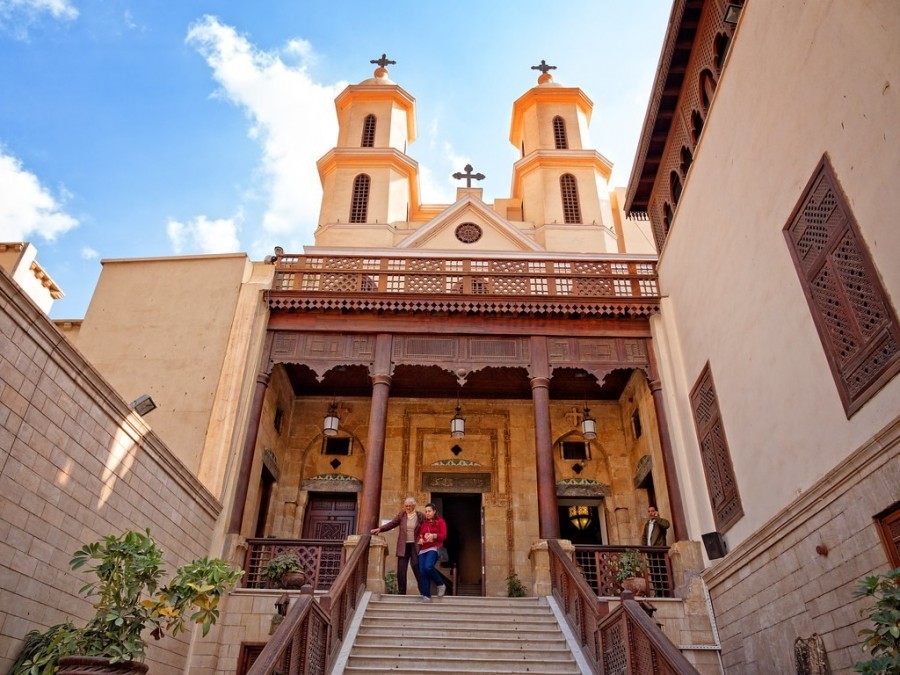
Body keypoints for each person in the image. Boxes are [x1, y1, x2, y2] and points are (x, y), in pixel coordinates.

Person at [370, 497, 423, 596]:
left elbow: (426, 527)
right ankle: (402, 592)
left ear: (414, 506)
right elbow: (392, 524)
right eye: (406, 506)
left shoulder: (420, 516)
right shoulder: (402, 515)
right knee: (401, 569)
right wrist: (380, 529)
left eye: (409, 506)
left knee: (417, 566)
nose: (407, 507)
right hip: (403, 545)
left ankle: (423, 591)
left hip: (415, 545)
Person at [416, 503, 447, 602]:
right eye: (426, 512)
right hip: (423, 549)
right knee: (422, 572)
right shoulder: (424, 523)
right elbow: (421, 534)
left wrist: (434, 535)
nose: (427, 513)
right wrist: (421, 539)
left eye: (429, 511)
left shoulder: (440, 521)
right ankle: (426, 596)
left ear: (434, 511)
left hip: (433, 548)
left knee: (428, 567)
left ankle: (440, 584)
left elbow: (444, 535)